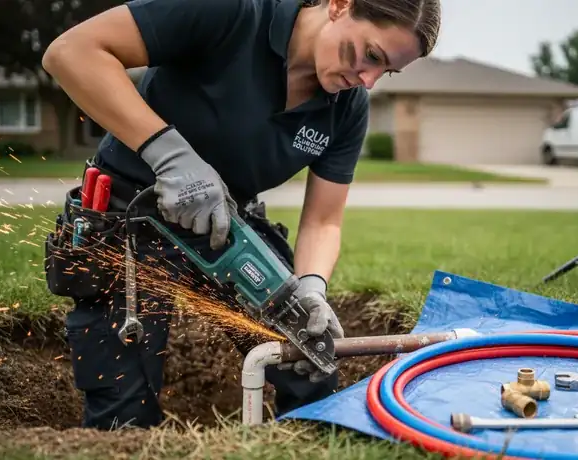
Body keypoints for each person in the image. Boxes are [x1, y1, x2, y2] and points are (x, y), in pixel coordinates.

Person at [41, 0, 440, 430]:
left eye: (387, 72)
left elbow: (323, 221)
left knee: (312, 367)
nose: (369, 80)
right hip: (130, 220)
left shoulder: (347, 106)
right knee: (123, 414)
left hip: (228, 233)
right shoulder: (232, 12)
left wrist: (312, 287)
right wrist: (169, 155)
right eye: (372, 55)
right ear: (340, 5)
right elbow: (72, 52)